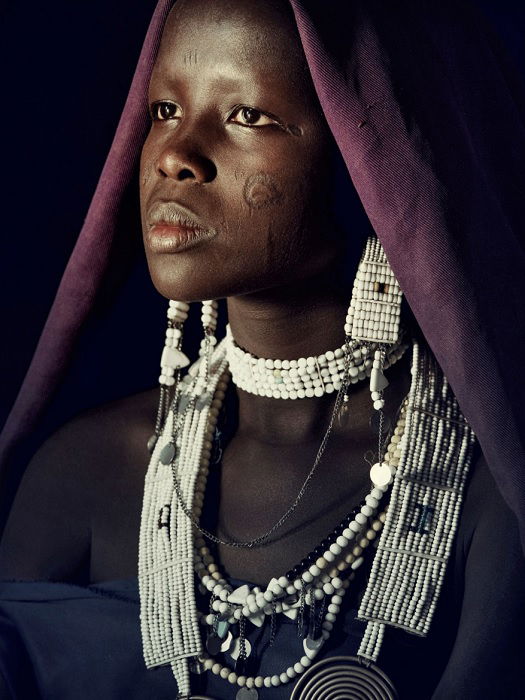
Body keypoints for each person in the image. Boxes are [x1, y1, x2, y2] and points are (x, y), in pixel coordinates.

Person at [1, 0, 525, 698]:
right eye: (163, 110)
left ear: (368, 159)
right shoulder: (81, 473)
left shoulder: (488, 490)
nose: (175, 157)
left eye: (247, 116)